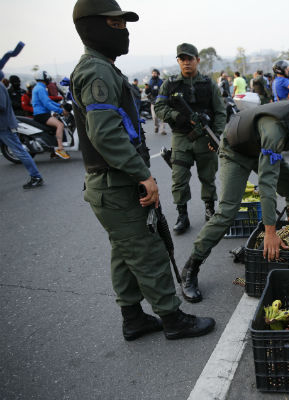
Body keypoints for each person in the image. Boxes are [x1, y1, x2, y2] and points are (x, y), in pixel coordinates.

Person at [70, 0, 215, 340]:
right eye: (115, 25)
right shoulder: (96, 70)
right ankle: (173, 319)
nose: (124, 32)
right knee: (147, 251)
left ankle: (133, 318)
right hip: (117, 183)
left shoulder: (102, 67)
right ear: (92, 27)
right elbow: (105, 133)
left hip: (112, 183)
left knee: (125, 251)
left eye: (124, 25)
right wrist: (142, 174)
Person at [178, 93, 289, 302]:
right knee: (227, 211)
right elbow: (267, 183)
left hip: (261, 150)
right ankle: (192, 267)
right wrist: (271, 232)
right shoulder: (275, 129)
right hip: (235, 152)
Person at [154, 43, 227, 234]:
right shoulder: (169, 84)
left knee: (208, 177)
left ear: (197, 60)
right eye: (182, 59)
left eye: (190, 59)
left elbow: (220, 112)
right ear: (178, 61)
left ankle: (209, 208)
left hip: (205, 137)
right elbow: (159, 107)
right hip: (181, 138)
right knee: (178, 178)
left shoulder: (208, 83)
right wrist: (177, 116)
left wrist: (216, 135)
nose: (186, 63)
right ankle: (182, 215)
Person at [0, 72, 44, 189]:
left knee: (20, 151)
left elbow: (2, 106)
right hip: (6, 124)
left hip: (5, 126)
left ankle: (36, 176)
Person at [32, 70, 70, 159]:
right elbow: (46, 104)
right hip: (42, 115)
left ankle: (54, 152)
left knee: (53, 129)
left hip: (42, 114)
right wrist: (60, 111)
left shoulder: (39, 87)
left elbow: (48, 101)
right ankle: (60, 149)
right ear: (44, 78)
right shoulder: (41, 88)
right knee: (60, 125)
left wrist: (59, 105)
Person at [144, 68, 166, 134]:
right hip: (153, 101)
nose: (154, 74)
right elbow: (147, 92)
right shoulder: (150, 82)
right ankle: (156, 126)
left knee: (163, 116)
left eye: (155, 73)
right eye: (153, 73)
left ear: (158, 74)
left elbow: (165, 90)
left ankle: (163, 130)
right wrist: (147, 89)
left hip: (161, 101)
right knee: (154, 117)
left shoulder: (161, 81)